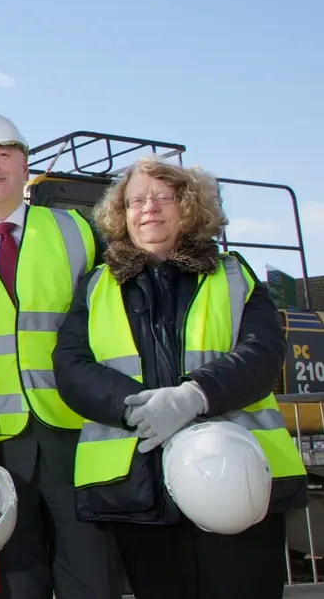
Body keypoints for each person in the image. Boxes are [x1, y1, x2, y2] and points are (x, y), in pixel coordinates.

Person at [51, 157, 308, 599]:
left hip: (237, 478)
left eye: (162, 197)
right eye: (135, 200)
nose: (148, 207)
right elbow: (71, 367)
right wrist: (136, 407)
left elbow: (262, 354)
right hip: (139, 488)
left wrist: (194, 396)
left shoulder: (233, 274)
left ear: (188, 207)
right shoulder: (96, 287)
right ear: (122, 214)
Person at [0, 111, 120, 599]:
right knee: (17, 582)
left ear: (24, 163)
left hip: (75, 430)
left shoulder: (78, 231)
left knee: (90, 575)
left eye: (2, 154)